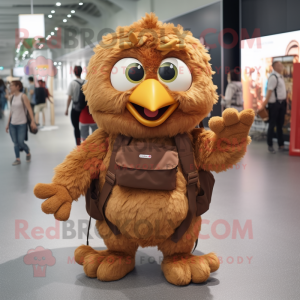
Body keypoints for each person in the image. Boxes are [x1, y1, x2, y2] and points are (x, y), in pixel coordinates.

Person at [5, 80, 37, 165]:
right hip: (13, 124)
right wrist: (8, 124)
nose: (10, 87)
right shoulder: (11, 97)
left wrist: (32, 121)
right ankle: (17, 159)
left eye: (12, 85)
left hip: (22, 123)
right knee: (15, 143)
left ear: (17, 87)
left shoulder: (23, 96)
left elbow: (29, 109)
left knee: (21, 142)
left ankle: (28, 152)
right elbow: (11, 112)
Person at [258, 61, 287, 154]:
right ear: (274, 67)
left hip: (281, 104)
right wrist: (263, 104)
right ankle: (270, 145)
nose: (281, 66)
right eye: (279, 65)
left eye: (281, 64)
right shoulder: (273, 77)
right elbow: (269, 92)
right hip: (274, 104)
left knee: (280, 125)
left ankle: (281, 145)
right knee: (272, 124)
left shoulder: (280, 76)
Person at [65, 66, 84, 145]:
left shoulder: (72, 83)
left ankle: (78, 143)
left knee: (76, 127)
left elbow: (69, 97)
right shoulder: (86, 82)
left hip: (75, 108)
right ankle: (86, 141)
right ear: (81, 72)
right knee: (85, 126)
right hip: (85, 109)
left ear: (74, 72)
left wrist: (67, 109)